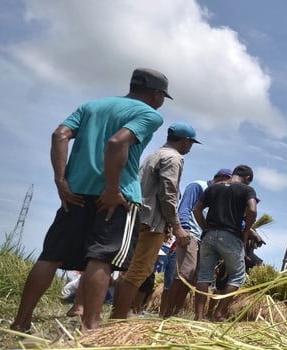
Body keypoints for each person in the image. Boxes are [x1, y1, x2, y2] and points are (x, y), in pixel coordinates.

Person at [10, 68, 169, 332]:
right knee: (102, 257)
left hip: (75, 193)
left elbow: (59, 135)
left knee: (51, 256)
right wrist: (112, 188)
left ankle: (21, 321)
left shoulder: (91, 106)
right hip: (116, 198)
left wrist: (61, 181)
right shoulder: (148, 114)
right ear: (157, 93)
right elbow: (118, 143)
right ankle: (90, 327)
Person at [111, 122, 199, 319]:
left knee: (130, 268)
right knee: (139, 269)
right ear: (185, 141)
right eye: (190, 143)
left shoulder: (154, 155)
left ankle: (118, 312)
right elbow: (168, 193)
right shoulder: (173, 158)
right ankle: (119, 316)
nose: (190, 147)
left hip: (139, 215)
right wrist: (176, 226)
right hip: (153, 220)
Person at [160, 168, 232, 317]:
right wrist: (183, 228)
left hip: (204, 239)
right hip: (190, 234)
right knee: (185, 273)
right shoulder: (198, 186)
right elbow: (185, 207)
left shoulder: (216, 195)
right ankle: (169, 314)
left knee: (194, 278)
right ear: (222, 178)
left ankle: (176, 314)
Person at [192, 164, 258, 321]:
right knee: (237, 276)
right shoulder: (246, 190)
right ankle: (218, 314)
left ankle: (198, 317)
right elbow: (253, 210)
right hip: (230, 236)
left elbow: (196, 209)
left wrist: (205, 228)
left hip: (208, 236)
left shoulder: (214, 188)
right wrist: (246, 231)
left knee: (204, 276)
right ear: (247, 178)